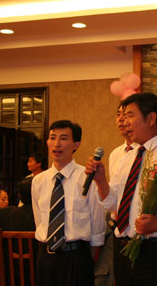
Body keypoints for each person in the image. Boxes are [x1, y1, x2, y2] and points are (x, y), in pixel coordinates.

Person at [86, 92, 157, 286]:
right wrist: (101, 181)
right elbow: (113, 203)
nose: (124, 121)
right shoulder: (126, 156)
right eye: (122, 115)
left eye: (130, 115)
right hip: (122, 249)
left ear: (151, 118)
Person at [31, 120, 106, 286]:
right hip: (45, 258)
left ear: (76, 144)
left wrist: (88, 258)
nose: (57, 144)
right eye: (52, 138)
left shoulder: (88, 178)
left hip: (76, 257)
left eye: (64, 138)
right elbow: (39, 222)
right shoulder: (38, 181)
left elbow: (98, 223)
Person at [94, 103, 136, 286]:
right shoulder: (116, 154)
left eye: (127, 115)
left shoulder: (149, 152)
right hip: (119, 232)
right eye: (118, 114)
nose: (121, 119)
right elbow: (113, 196)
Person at [0, 177, 36, 286]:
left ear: (19, 195)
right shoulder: (43, 217)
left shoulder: (2, 214)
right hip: (37, 275)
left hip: (7, 276)